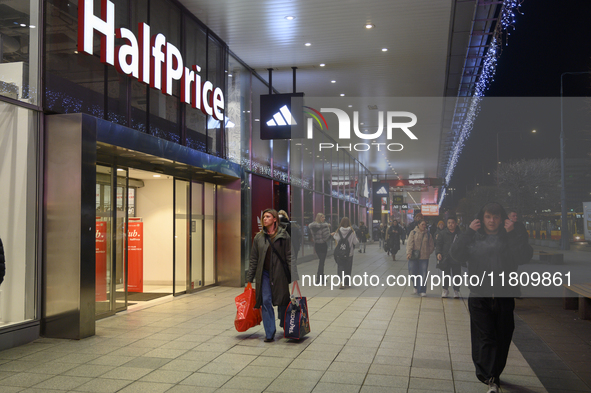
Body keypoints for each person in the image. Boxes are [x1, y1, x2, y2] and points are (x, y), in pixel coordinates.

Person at [449, 203, 533, 393]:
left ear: (501, 218)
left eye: (495, 217)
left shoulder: (509, 235)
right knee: (486, 337)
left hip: (504, 296)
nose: (492, 221)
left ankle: (493, 373)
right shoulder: (474, 236)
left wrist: (512, 234)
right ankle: (490, 379)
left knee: (503, 336)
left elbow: (523, 257)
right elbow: (455, 254)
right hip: (480, 296)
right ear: (482, 218)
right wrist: (468, 232)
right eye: (488, 217)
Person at [247, 209, 296, 342]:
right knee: (266, 301)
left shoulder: (284, 235)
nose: (265, 219)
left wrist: (294, 276)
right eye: (264, 217)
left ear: (275, 219)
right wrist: (249, 278)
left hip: (280, 274)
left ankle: (286, 326)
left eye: (268, 217)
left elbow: (290, 256)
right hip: (264, 275)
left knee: (282, 301)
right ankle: (269, 332)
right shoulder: (259, 237)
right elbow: (254, 259)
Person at [406, 219, 435, 297]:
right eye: (422, 224)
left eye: (425, 225)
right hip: (414, 256)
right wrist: (409, 253)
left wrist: (428, 252)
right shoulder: (413, 232)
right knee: (412, 273)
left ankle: (422, 290)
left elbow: (431, 245)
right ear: (418, 225)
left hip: (424, 257)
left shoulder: (428, 234)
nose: (424, 226)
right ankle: (416, 286)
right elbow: (409, 243)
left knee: (423, 274)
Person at [435, 217, 462, 298]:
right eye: (449, 223)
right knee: (446, 275)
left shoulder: (460, 234)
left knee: (457, 275)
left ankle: (456, 290)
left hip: (456, 258)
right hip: (446, 257)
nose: (451, 224)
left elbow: (463, 245)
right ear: (447, 224)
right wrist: (438, 253)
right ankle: (445, 289)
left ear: (456, 224)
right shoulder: (443, 233)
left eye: (452, 222)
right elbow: (439, 244)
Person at [333, 217, 359, 289]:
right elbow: (355, 242)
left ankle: (341, 281)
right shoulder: (352, 231)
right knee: (348, 268)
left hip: (340, 253)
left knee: (340, 267)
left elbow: (336, 238)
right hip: (349, 253)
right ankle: (347, 283)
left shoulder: (338, 231)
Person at [308, 213, 331, 283]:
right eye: (323, 217)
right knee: (322, 262)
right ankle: (319, 278)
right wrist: (331, 235)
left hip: (317, 245)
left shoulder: (313, 226)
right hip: (323, 245)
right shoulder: (325, 227)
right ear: (319, 218)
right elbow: (326, 237)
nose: (324, 218)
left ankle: (322, 277)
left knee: (321, 261)